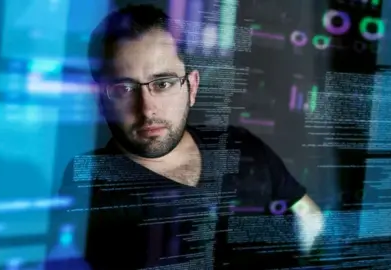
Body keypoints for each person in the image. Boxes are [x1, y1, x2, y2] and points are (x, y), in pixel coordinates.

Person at [46, 4, 324, 269]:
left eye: (163, 83)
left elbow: (308, 215)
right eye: (124, 89)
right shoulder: (90, 183)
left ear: (191, 87)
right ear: (101, 99)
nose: (148, 108)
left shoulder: (239, 143)